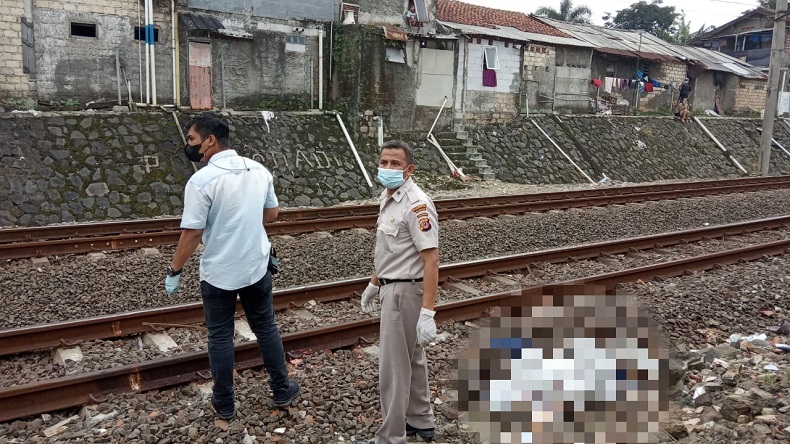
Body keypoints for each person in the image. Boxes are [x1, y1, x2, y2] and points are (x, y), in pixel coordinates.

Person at [164, 113, 299, 421]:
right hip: (256, 264)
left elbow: (193, 232)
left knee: (221, 335)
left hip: (219, 271)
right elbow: (272, 214)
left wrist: (175, 270)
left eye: (192, 140)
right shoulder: (258, 169)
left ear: (210, 141)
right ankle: (282, 388)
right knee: (265, 327)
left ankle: (224, 403)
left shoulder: (201, 181)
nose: (189, 146)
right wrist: (246, 220)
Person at [356, 140, 439, 444]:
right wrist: (374, 282)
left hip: (405, 293)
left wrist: (428, 313)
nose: (388, 168)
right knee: (411, 358)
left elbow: (431, 260)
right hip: (392, 287)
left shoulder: (416, 204)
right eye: (384, 162)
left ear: (409, 169)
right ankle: (421, 421)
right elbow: (392, 250)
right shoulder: (388, 196)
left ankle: (391, 437)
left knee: (394, 368)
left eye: (395, 164)